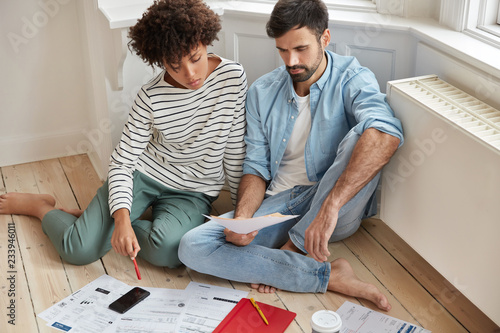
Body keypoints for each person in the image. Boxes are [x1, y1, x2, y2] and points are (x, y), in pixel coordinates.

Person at [178, 0, 403, 311]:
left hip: (336, 207)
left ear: (325, 38)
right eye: (283, 50)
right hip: (282, 203)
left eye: (300, 48)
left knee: (365, 133)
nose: (291, 60)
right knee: (193, 247)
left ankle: (294, 250)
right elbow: (255, 167)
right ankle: (329, 274)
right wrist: (243, 218)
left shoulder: (352, 77)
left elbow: (386, 134)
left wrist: (330, 208)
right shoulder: (262, 91)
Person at [0, 0, 247, 268]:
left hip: (193, 191)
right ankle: (40, 207)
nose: (189, 73)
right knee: (78, 250)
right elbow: (122, 162)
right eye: (174, 65)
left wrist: (240, 217)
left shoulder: (232, 78)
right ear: (160, 59)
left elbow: (235, 151)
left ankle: (103, 224)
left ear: (206, 42)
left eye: (195, 58)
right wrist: (121, 220)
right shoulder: (149, 96)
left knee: (171, 253)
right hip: (143, 175)